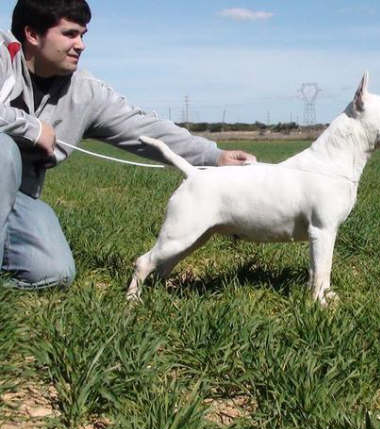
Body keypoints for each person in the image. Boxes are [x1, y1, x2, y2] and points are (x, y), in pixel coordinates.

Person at [0, 0, 256, 289]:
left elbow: (141, 127)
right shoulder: (2, 54)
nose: (81, 45)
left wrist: (215, 156)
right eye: (70, 34)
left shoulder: (84, 92)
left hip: (18, 199)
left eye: (83, 35)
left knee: (54, 273)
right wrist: (32, 129)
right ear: (32, 34)